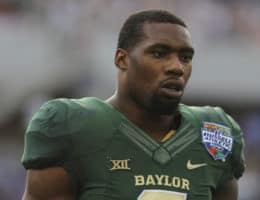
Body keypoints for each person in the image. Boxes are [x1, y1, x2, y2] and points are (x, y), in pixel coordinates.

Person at [21, 9, 245, 200]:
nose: (177, 67)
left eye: (185, 58)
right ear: (122, 59)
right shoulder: (71, 125)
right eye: (159, 53)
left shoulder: (215, 132)